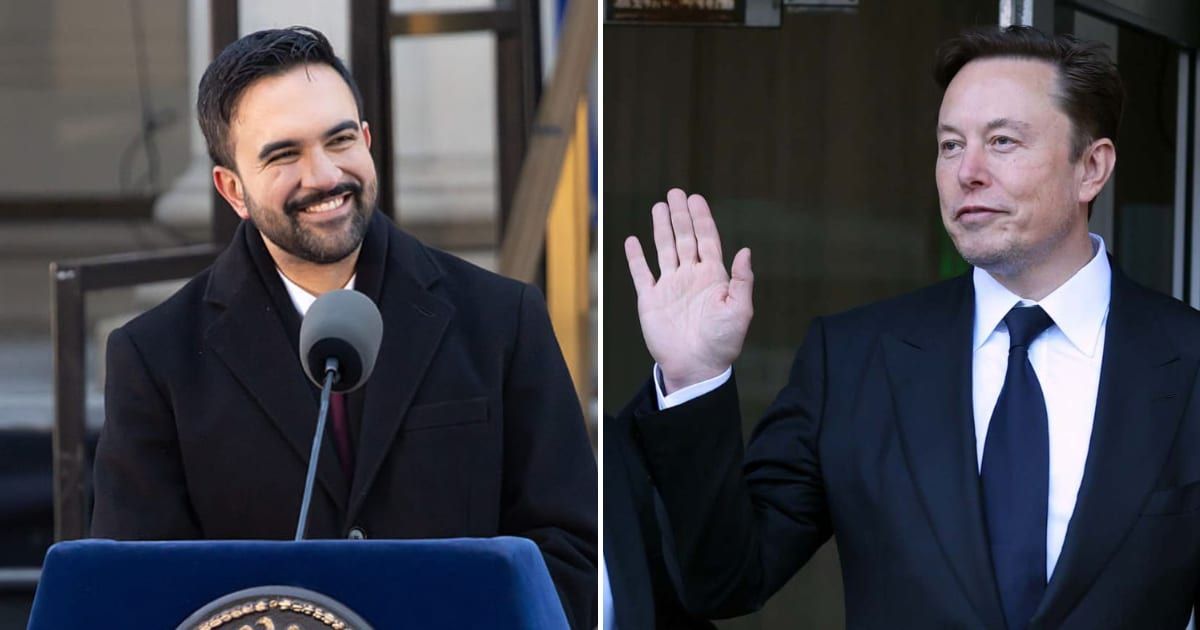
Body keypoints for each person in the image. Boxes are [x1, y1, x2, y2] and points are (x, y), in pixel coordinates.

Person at [620, 25, 1200, 629]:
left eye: (1002, 141)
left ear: (1092, 168)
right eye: (951, 145)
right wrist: (694, 377)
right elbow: (725, 581)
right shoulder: (852, 360)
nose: (967, 171)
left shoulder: (1187, 361)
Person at [91, 27, 596, 629]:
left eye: (339, 140)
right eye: (284, 155)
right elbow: (136, 591)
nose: (326, 176)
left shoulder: (501, 318)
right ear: (233, 190)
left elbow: (573, 554)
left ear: (368, 140)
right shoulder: (155, 358)